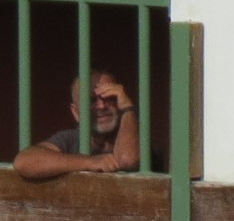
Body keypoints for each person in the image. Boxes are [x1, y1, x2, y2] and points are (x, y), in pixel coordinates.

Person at [12, 70, 141, 181]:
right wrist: (90, 162)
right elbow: (23, 162)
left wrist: (128, 108)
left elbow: (127, 160)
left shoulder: (137, 136)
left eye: (110, 98)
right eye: (91, 100)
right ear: (76, 112)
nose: (102, 106)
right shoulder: (72, 139)